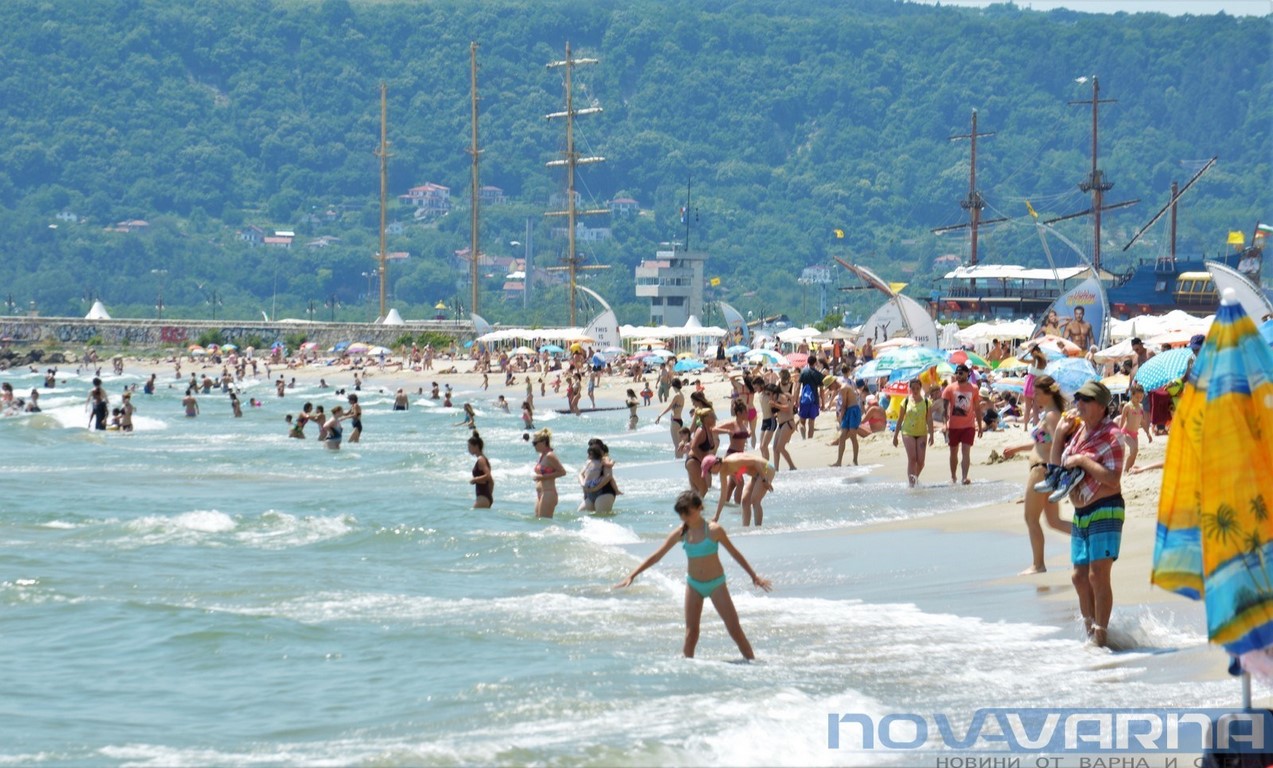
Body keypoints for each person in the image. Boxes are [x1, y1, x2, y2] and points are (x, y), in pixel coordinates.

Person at [614, 490, 772, 660]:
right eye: (681, 514)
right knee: (691, 634)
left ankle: (753, 665)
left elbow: (735, 553)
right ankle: (687, 670)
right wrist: (632, 575)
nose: (684, 518)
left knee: (734, 629)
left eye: (687, 513)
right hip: (694, 585)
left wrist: (754, 576)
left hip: (716, 585)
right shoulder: (681, 533)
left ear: (699, 508)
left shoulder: (714, 530)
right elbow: (657, 556)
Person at [1056, 379, 1125, 648]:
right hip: (1081, 511)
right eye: (1078, 398)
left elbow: (1113, 479)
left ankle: (1100, 636)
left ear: (1101, 406)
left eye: (1086, 400)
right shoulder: (1078, 431)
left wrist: (1083, 460)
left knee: (1097, 574)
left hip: (1105, 508)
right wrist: (1059, 435)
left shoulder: (1112, 435)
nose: (1079, 404)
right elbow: (1058, 466)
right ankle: (1090, 633)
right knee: (1079, 576)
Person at [1001, 375, 1071, 575]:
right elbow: (1043, 442)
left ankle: (1038, 565)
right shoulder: (1049, 414)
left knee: (1031, 518)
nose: (1035, 397)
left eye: (1038, 393)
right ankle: (1088, 537)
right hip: (1044, 470)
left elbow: (1059, 444)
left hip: (1041, 470)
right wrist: (1017, 448)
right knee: (1054, 521)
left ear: (1049, 393)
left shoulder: (1051, 416)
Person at [703, 453, 775, 527]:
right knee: (745, 501)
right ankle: (745, 529)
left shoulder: (732, 461)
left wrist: (764, 480)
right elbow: (723, 495)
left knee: (755, 499)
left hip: (767, 468)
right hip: (756, 474)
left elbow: (755, 462)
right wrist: (716, 516)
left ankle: (758, 529)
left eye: (709, 471)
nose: (710, 473)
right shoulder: (723, 472)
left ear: (715, 465)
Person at [941, 364, 982, 484]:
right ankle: (953, 477)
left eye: (961, 373)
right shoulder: (949, 388)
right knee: (953, 452)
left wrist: (980, 426)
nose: (958, 375)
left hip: (969, 426)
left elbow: (977, 408)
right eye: (957, 373)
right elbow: (944, 409)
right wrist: (944, 425)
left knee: (966, 451)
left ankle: (964, 477)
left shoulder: (974, 388)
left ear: (967, 374)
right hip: (953, 426)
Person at [892, 378, 934, 487]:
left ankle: (914, 478)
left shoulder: (926, 402)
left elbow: (929, 419)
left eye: (917, 388)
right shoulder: (905, 401)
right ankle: (912, 485)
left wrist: (932, 435)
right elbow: (900, 419)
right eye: (913, 388)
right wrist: (895, 436)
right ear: (910, 389)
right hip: (908, 432)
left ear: (920, 388)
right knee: (912, 458)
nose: (915, 390)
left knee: (921, 462)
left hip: (922, 433)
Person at [531, 428, 567, 518]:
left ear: (543, 442)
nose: (534, 446)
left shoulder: (550, 455)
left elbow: (562, 472)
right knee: (537, 521)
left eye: (535, 443)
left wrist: (542, 477)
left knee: (544, 521)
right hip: (541, 493)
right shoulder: (542, 456)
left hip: (548, 492)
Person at [1117, 384, 1152, 471]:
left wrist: (1148, 433)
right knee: (1134, 449)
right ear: (1132, 395)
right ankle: (1125, 470)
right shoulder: (1127, 406)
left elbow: (1142, 421)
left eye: (1141, 397)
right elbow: (1122, 420)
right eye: (1137, 397)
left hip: (1134, 434)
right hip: (1126, 432)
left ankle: (1130, 469)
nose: (1139, 399)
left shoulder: (1141, 406)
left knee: (1135, 452)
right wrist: (1118, 433)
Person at [685, 407, 720, 496]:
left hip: (698, 461)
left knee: (697, 491)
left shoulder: (708, 429)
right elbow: (694, 447)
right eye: (712, 416)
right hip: (693, 461)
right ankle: (696, 505)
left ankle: (691, 504)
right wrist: (703, 461)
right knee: (703, 489)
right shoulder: (701, 430)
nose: (715, 418)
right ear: (706, 418)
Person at [654, 378, 686, 450]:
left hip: (675, 421)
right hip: (679, 421)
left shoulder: (676, 396)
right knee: (680, 445)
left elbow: (669, 407)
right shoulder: (681, 395)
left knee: (677, 446)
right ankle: (682, 457)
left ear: (673, 385)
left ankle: (679, 457)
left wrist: (660, 415)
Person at [468, 431, 493, 508]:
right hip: (484, 497)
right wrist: (489, 496)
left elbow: (488, 475)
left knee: (471, 514)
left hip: (483, 497)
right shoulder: (483, 458)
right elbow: (491, 482)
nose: (468, 449)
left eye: (469, 447)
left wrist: (475, 479)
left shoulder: (481, 459)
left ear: (476, 446)